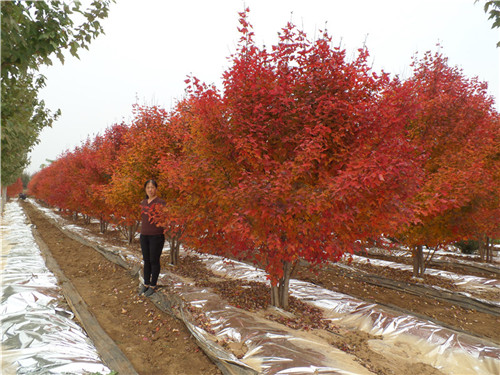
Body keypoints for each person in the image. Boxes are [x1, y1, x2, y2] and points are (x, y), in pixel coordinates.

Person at [139, 179, 166, 297]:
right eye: (148, 187)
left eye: (152, 187)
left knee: (154, 260)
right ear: (145, 189)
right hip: (144, 235)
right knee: (146, 260)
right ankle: (146, 283)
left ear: (156, 189)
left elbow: (165, 220)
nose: (150, 189)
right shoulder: (143, 202)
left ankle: (153, 285)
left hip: (156, 236)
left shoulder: (161, 203)